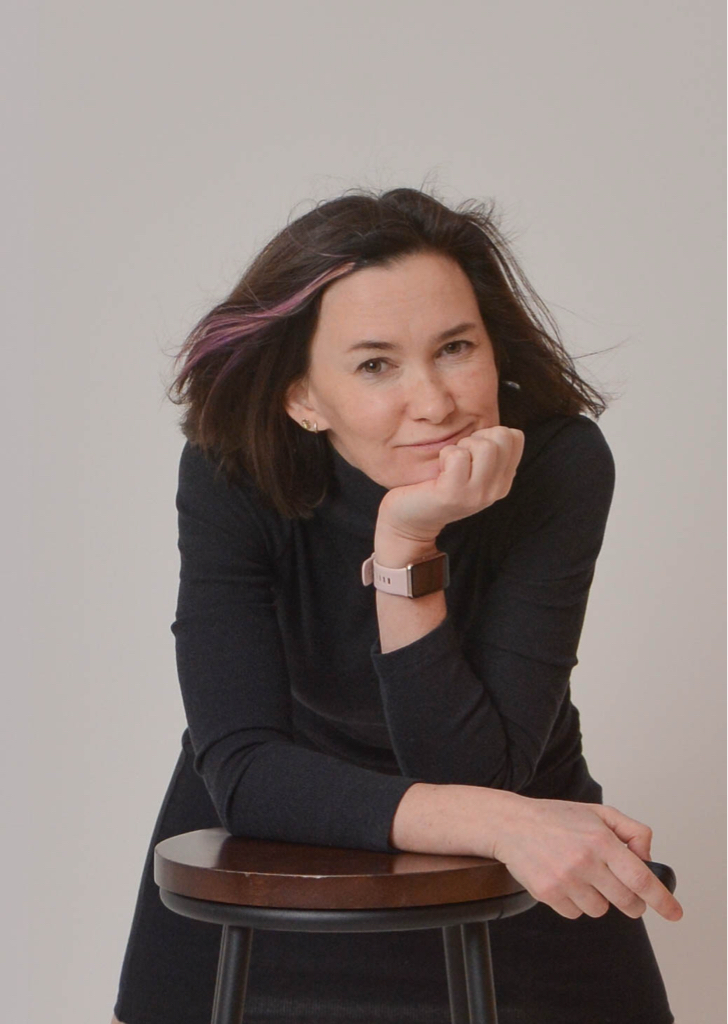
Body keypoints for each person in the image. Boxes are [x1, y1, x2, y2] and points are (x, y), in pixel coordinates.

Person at [112, 186, 682, 1024]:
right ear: (303, 398)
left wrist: (406, 549)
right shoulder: (233, 472)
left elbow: (475, 771)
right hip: (282, 875)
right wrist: (504, 824)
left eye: (455, 347)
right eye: (376, 364)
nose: (437, 402)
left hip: (515, 886)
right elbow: (245, 771)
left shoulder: (558, 464)